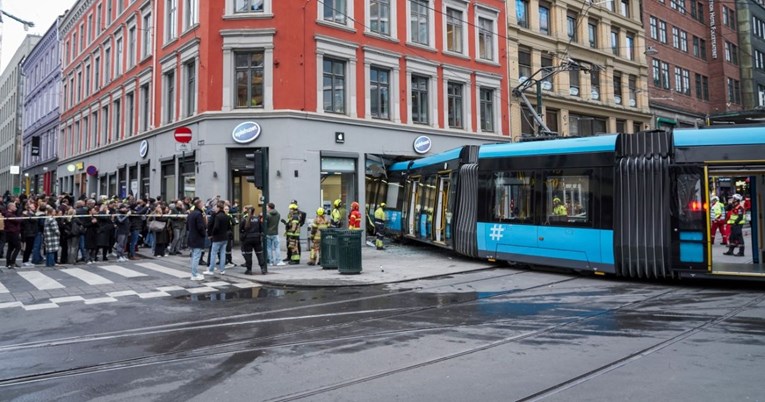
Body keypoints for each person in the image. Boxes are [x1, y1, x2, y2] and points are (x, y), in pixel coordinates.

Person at [240, 206, 267, 275]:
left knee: (248, 255)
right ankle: (263, 268)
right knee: (259, 253)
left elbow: (241, 230)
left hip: (247, 239)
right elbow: (261, 229)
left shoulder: (244, 219)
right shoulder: (257, 219)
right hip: (256, 239)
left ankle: (249, 270)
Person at [206, 201, 230, 274]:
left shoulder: (217, 216)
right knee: (223, 253)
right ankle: (222, 270)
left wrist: (212, 234)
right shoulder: (226, 216)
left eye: (216, 207)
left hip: (217, 237)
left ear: (219, 208)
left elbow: (216, 227)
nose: (215, 208)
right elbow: (228, 227)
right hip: (225, 237)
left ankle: (211, 270)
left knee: (213, 253)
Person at [186, 198, 207, 280]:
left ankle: (194, 272)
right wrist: (203, 233)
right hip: (197, 237)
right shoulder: (198, 214)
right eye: (202, 204)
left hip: (192, 236)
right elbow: (200, 226)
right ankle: (194, 274)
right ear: (199, 205)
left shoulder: (191, 213)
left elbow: (187, 226)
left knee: (194, 255)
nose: (203, 205)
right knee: (196, 256)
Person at [3, 202, 21, 269]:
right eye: (14, 206)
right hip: (13, 233)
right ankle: (12, 262)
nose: (15, 207)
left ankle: (8, 263)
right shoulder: (9, 214)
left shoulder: (9, 214)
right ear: (10, 207)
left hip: (11, 232)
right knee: (18, 247)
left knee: (10, 248)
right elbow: (18, 220)